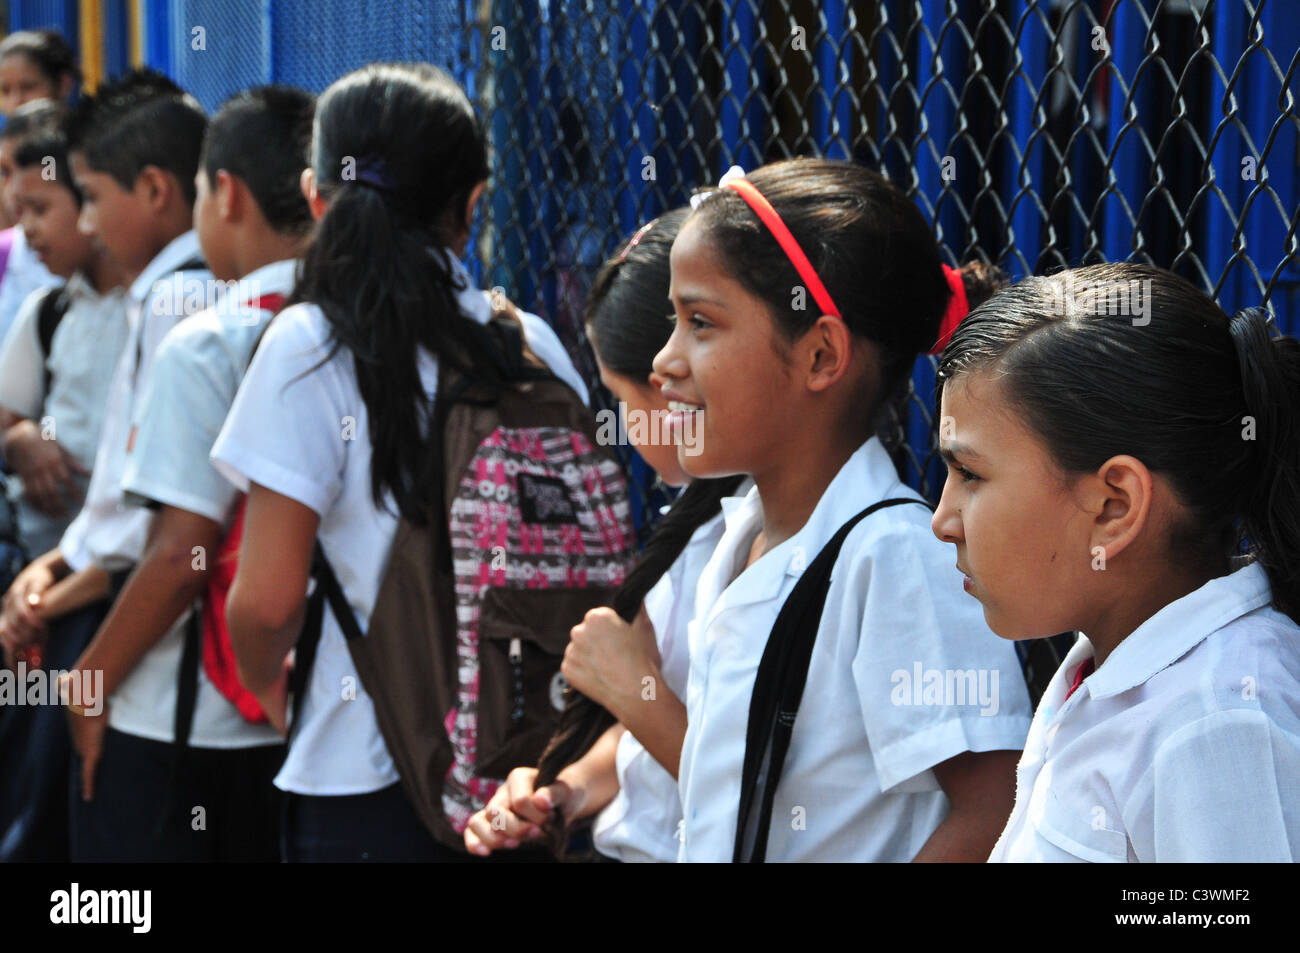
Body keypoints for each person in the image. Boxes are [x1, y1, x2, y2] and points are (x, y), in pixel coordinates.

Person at [211, 62, 587, 862]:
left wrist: (280, 698)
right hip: (521, 777)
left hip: (360, 777)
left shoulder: (310, 346)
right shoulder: (530, 344)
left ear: (317, 196)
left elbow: (265, 603)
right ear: (472, 206)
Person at [654, 158, 1033, 861]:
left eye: (699, 322)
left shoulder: (893, 557)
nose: (664, 360)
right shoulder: (739, 534)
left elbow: (993, 805)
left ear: (822, 354)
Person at [932, 262, 1300, 862]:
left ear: (1115, 505)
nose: (943, 520)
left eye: (970, 474)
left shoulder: (1219, 718)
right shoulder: (1112, 669)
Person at [56, 85, 317, 862]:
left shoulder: (213, 337)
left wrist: (89, 678)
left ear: (224, 194)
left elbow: (178, 552)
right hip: (311, 725)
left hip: (178, 716)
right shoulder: (373, 327)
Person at [463, 209, 750, 861]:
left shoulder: (794, 544)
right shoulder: (702, 526)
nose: (623, 417)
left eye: (622, 394)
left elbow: (762, 792)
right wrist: (561, 789)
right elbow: (647, 738)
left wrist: (633, 689)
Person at [0, 104, 127, 560]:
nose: (26, 229)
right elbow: (8, 416)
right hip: (41, 555)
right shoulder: (48, 313)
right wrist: (22, 441)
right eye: (20, 212)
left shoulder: (154, 308)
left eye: (40, 209)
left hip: (117, 560)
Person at [0, 101, 61, 339]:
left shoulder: (105, 263)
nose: (15, 191)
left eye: (31, 171)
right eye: (5, 171)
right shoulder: (5, 252)